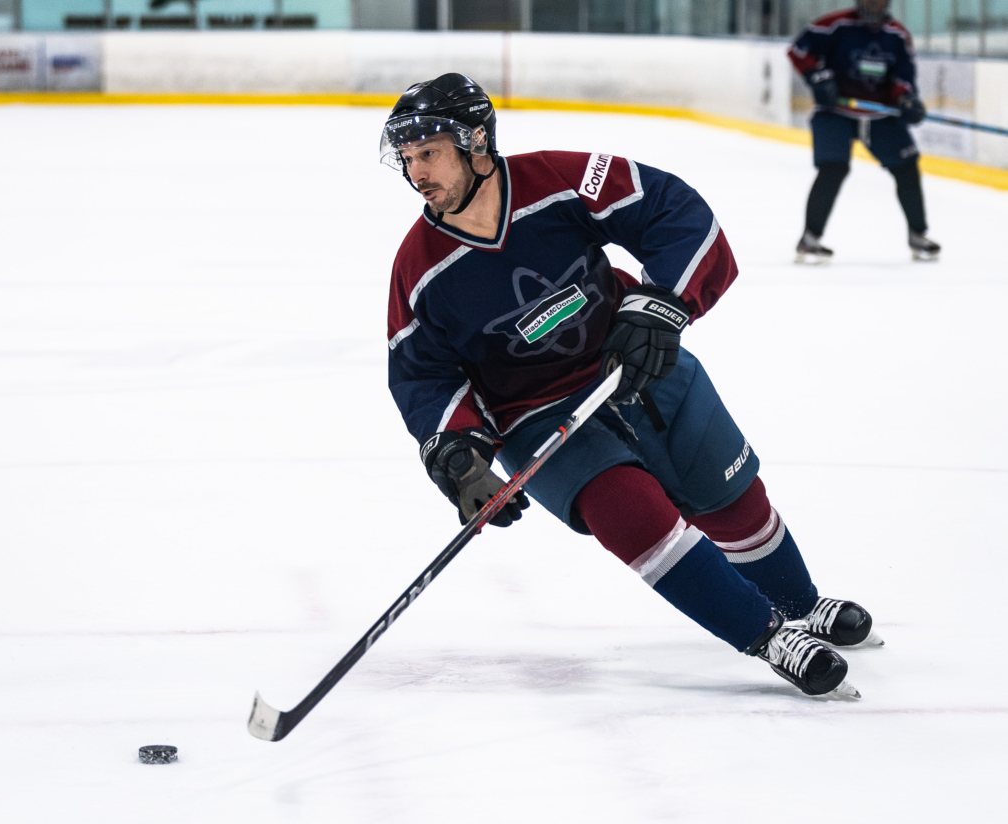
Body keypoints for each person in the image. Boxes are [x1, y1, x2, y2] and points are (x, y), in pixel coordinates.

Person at [382, 73, 881, 700]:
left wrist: (659, 307)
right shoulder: (419, 269)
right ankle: (768, 634)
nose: (415, 170)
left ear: (476, 142)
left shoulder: (564, 179)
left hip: (634, 363)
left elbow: (674, 209)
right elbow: (423, 373)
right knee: (630, 514)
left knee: (729, 498)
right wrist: (456, 454)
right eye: (405, 157)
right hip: (533, 415)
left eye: (428, 152)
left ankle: (800, 605)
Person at [788, 0, 941, 263]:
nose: (872, 4)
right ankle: (810, 239)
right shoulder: (835, 25)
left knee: (907, 168)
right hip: (835, 112)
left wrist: (905, 100)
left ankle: (918, 235)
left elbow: (902, 77)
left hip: (880, 115)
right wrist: (818, 77)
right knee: (833, 168)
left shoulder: (897, 35)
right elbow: (799, 51)